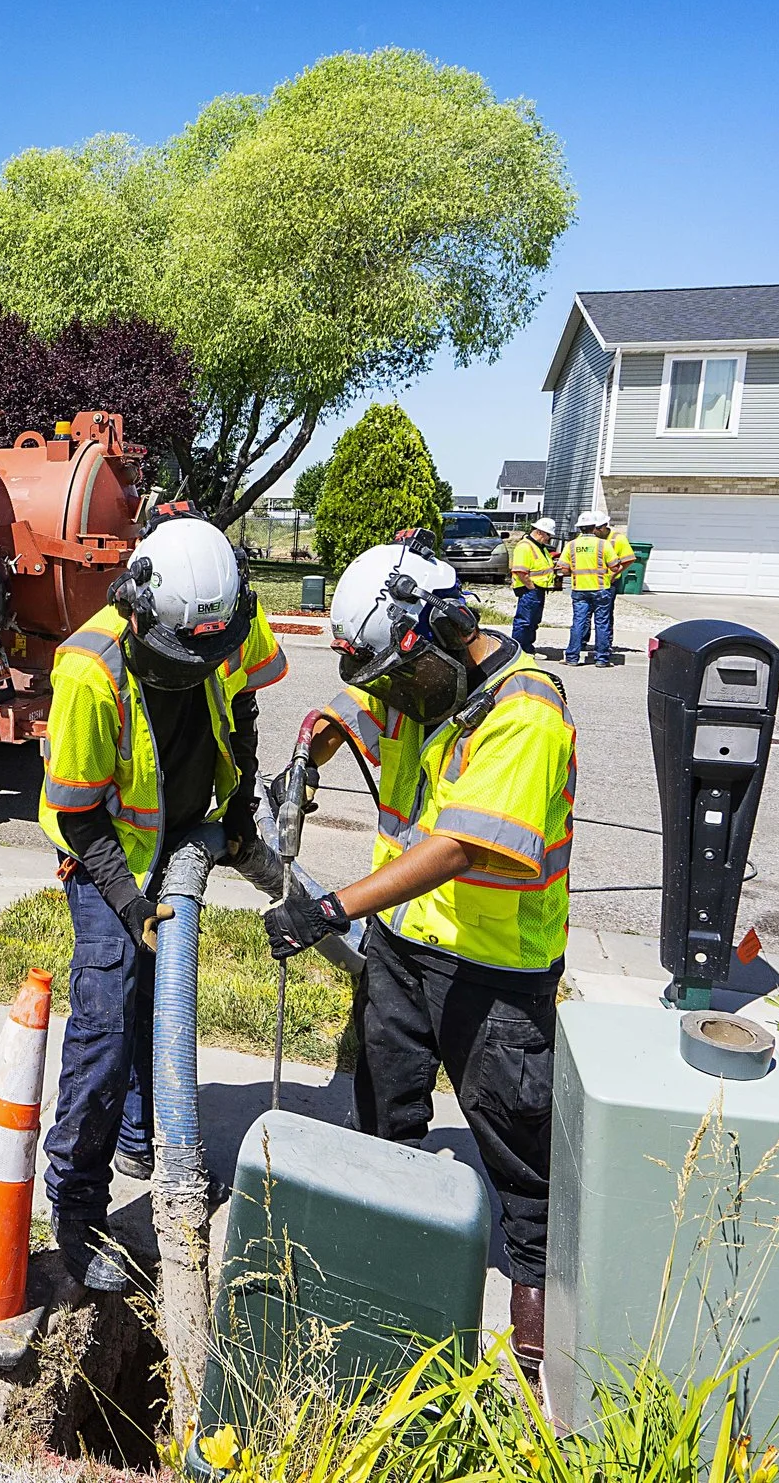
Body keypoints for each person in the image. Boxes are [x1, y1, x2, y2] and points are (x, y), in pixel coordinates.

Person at [264, 536, 577, 1373]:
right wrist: (309, 745)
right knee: (383, 1114)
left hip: (495, 974)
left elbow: (460, 849)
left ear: (441, 625)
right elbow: (352, 713)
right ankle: (385, 1265)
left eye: (400, 674)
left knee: (517, 1152)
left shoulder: (526, 711)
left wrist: (329, 907)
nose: (395, 696)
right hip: (401, 956)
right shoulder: (416, 684)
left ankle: (535, 1315)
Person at [38, 510, 287, 1289]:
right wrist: (127, 899)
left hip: (180, 830)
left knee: (158, 1001)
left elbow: (242, 707)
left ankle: (145, 1135)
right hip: (105, 849)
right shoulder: (89, 667)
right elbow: (77, 811)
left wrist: (240, 808)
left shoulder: (226, 613)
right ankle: (77, 1205)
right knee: (110, 1013)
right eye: (179, 656)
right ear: (139, 609)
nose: (194, 667)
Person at [558, 512, 617, 667]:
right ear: (594, 527)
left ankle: (572, 658)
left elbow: (563, 569)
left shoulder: (571, 545)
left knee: (578, 622)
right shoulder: (604, 544)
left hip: (579, 589)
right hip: (600, 589)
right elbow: (614, 566)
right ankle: (602, 659)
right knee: (602, 623)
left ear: (580, 528)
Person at [506, 517, 559, 657]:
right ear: (540, 532)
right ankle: (518, 651)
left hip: (536, 589)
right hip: (529, 589)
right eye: (548, 535)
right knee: (524, 621)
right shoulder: (525, 546)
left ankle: (527, 649)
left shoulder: (538, 547)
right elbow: (520, 571)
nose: (549, 539)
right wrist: (531, 587)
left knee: (533, 621)